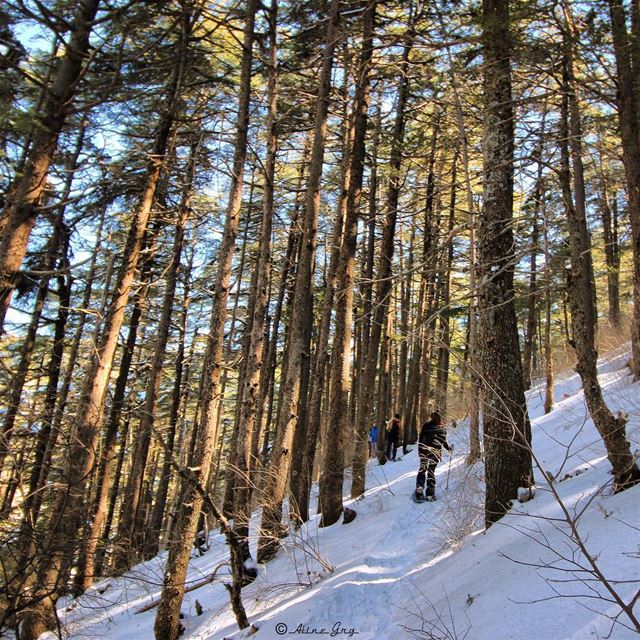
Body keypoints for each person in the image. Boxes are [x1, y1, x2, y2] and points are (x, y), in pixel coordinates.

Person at [415, 411, 452, 501]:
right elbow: (443, 441)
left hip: (424, 451)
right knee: (431, 471)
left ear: (431, 418)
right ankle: (430, 494)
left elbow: (420, 440)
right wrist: (448, 449)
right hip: (435, 452)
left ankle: (419, 491)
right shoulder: (441, 428)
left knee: (422, 469)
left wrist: (420, 451)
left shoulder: (426, 426)